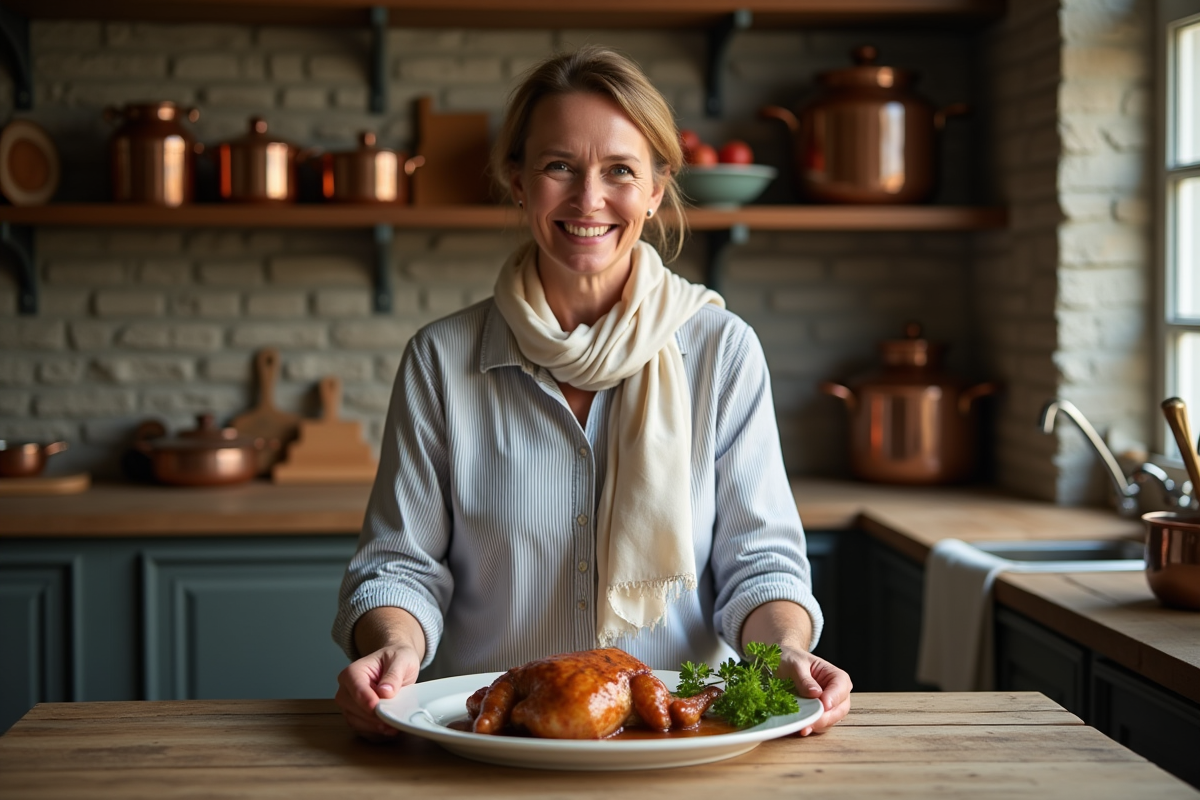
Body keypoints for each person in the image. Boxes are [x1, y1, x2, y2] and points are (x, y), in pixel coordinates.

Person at [333, 45, 852, 740]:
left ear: (657, 189)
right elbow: (401, 565)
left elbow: (759, 563)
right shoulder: (442, 359)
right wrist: (395, 644)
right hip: (497, 741)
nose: (588, 200)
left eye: (619, 172)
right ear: (517, 181)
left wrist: (786, 650)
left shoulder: (721, 352)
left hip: (677, 741)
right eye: (558, 167)